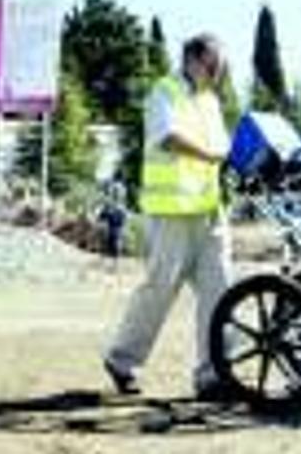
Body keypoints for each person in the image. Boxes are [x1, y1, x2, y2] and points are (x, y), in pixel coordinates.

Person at [102, 34, 232, 398]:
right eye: (212, 64)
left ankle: (213, 375)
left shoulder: (210, 101)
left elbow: (224, 149)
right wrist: (209, 156)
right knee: (160, 288)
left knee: (219, 291)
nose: (217, 71)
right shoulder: (164, 91)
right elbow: (167, 137)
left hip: (209, 211)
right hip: (172, 212)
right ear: (192, 59)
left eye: (220, 66)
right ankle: (122, 360)